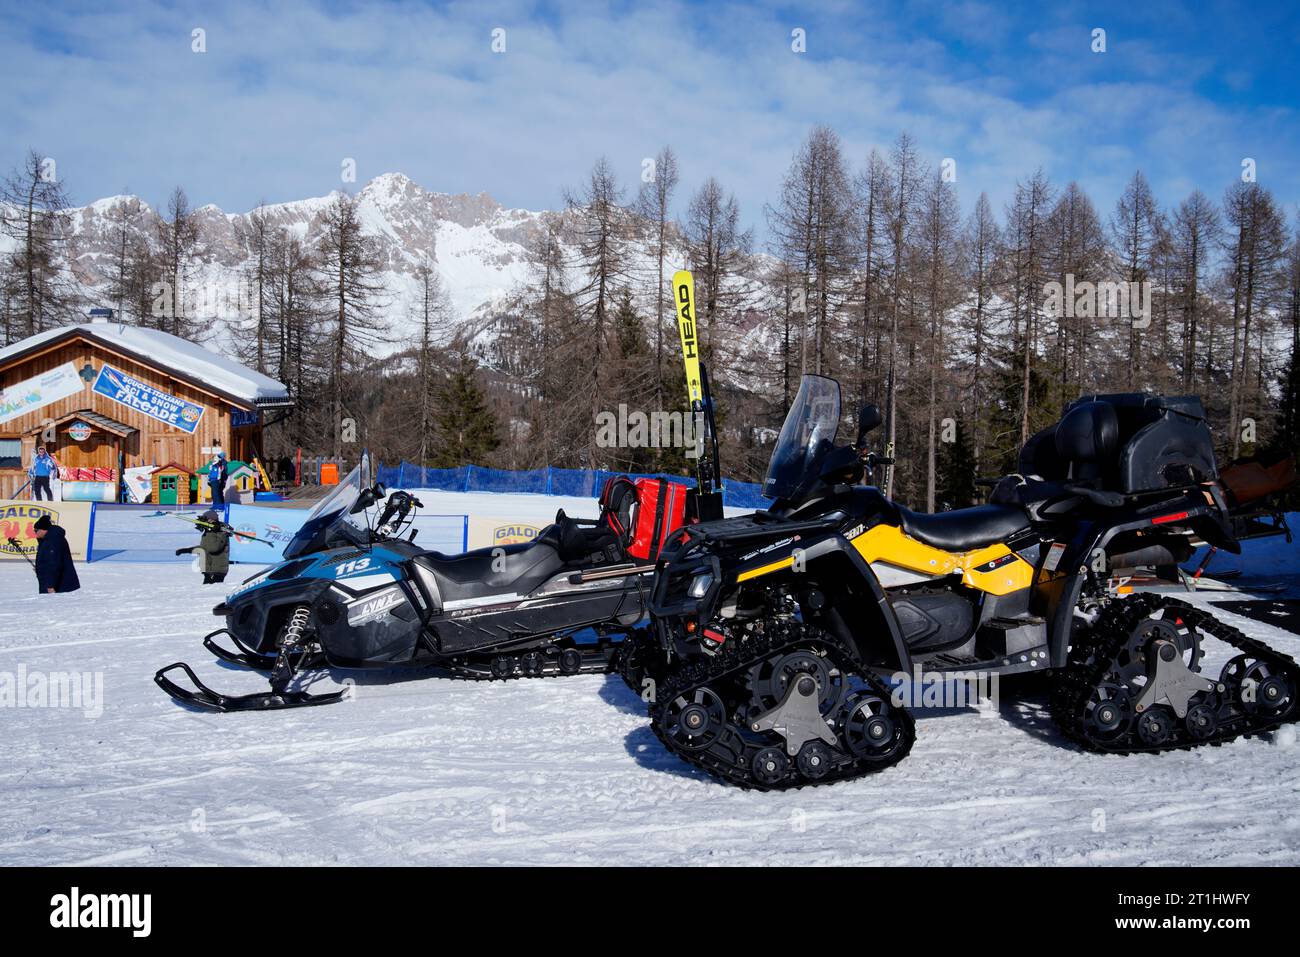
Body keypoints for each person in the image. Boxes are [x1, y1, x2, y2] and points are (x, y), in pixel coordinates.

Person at [175, 509, 230, 584]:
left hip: (217, 570)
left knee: (212, 593)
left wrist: (211, 532)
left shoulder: (221, 532)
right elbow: (203, 548)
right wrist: (186, 550)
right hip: (208, 569)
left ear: (211, 520)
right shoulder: (208, 532)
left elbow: (213, 548)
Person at [32, 514, 81, 594]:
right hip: (55, 584)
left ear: (44, 530)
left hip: (59, 587)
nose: (35, 533)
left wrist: (50, 586)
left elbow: (54, 564)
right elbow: (47, 560)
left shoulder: (53, 541)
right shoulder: (48, 539)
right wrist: (40, 568)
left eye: (36, 530)